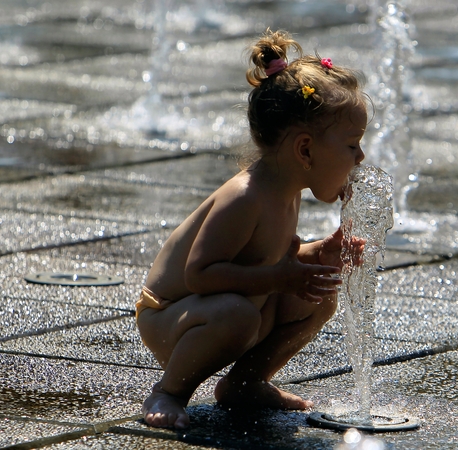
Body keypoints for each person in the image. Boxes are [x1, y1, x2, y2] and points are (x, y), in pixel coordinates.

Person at [136, 29, 367, 429]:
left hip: (222, 307)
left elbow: (269, 260)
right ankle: (168, 391)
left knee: (319, 297)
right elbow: (200, 274)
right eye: (352, 145)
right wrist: (280, 277)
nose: (360, 156)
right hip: (174, 318)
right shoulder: (245, 197)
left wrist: (316, 255)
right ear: (305, 150)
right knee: (239, 315)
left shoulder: (287, 190)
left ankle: (245, 382)